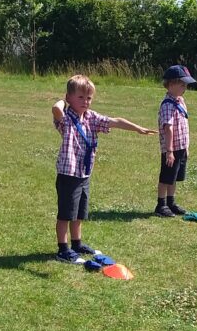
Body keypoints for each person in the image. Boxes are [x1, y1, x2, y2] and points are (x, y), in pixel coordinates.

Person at [51, 75, 154, 264]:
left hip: (84, 173)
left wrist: (137, 128)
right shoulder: (65, 120)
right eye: (80, 97)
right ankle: (62, 249)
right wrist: (62, 100)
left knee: (79, 212)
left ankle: (76, 243)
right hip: (68, 174)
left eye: (89, 98)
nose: (86, 102)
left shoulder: (91, 117)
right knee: (66, 213)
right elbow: (56, 108)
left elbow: (115, 121)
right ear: (69, 98)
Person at [155, 64, 197, 217]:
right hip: (171, 148)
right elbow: (168, 128)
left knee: (174, 177)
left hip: (181, 146)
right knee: (166, 177)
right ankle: (161, 204)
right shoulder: (168, 105)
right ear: (171, 84)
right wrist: (169, 151)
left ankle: (171, 202)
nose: (185, 87)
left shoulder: (181, 101)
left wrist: (186, 147)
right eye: (182, 84)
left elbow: (184, 124)